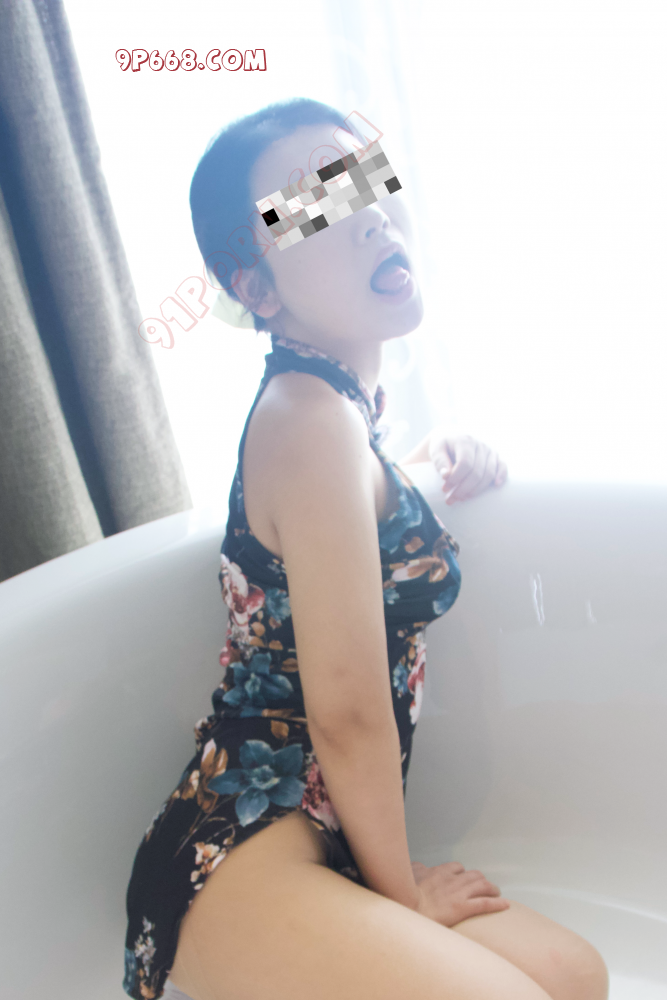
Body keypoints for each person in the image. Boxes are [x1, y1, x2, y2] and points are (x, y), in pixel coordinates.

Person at [123, 98, 609, 1000]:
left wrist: (426, 460)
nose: (369, 216)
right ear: (256, 289)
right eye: (315, 207)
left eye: (366, 180)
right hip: (235, 853)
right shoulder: (307, 422)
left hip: (326, 836)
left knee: (574, 978)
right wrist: (403, 900)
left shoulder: (333, 413)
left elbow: (337, 524)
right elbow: (346, 712)